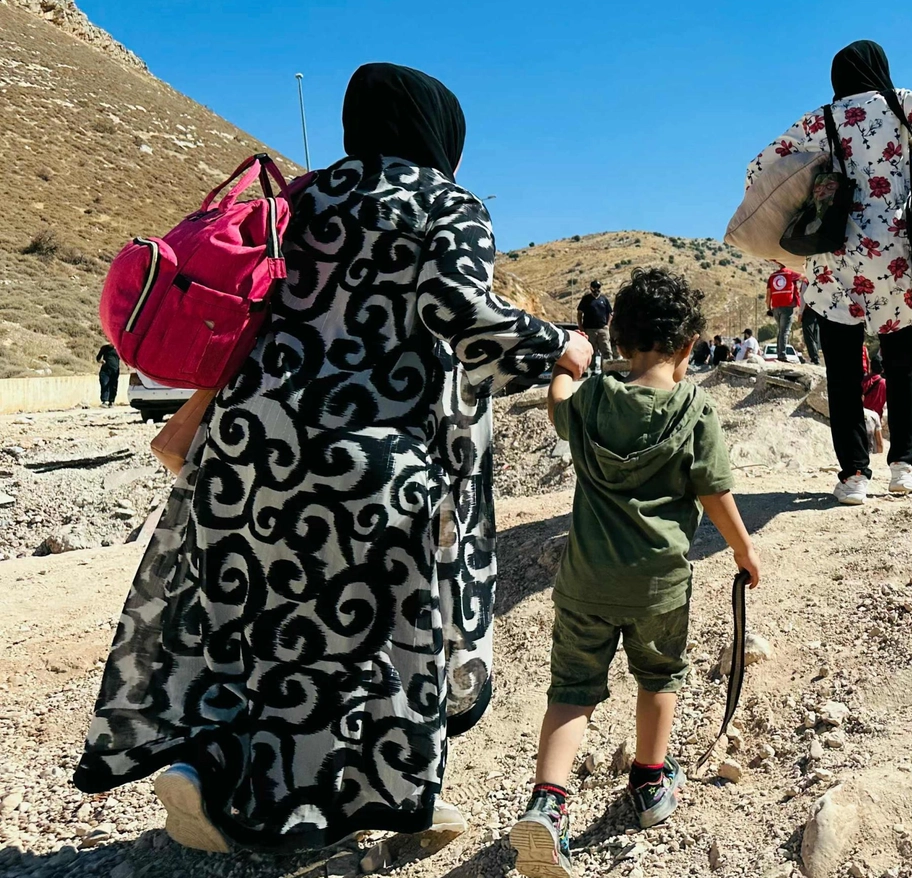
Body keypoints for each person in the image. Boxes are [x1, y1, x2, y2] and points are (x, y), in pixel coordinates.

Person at [73, 63, 593, 854]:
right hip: (366, 463)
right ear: (439, 131)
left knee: (255, 620)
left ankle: (209, 767)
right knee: (368, 641)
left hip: (247, 449)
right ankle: (374, 796)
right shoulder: (446, 204)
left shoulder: (298, 200)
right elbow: (459, 315)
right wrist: (564, 344)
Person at [513, 269, 757, 876]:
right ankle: (649, 783)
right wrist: (744, 551)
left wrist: (568, 367)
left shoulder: (592, 400)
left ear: (617, 342)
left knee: (572, 691)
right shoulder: (693, 408)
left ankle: (547, 806)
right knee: (659, 677)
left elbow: (558, 403)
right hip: (658, 587)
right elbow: (715, 493)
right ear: (688, 346)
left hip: (584, 582)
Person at [748, 39, 912, 505]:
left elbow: (759, 167)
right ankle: (903, 466)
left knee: (842, 370)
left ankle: (853, 477)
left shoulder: (818, 119)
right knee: (900, 364)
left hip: (833, 257)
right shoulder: (896, 102)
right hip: (894, 254)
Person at [766, 264, 804, 362]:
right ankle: (782, 355)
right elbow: (804, 275)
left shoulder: (772, 276)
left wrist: (769, 308)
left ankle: (780, 354)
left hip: (775, 307)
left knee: (781, 331)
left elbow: (768, 295)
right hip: (787, 306)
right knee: (785, 332)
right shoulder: (791, 273)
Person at [578, 280, 613, 374]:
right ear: (591, 288)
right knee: (591, 351)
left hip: (602, 329)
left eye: (598, 287)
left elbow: (610, 313)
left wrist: (607, 325)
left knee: (606, 350)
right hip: (589, 330)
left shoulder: (604, 299)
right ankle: (592, 370)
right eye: (595, 287)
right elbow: (580, 313)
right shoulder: (586, 299)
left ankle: (608, 370)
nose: (597, 289)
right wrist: (581, 327)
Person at [862, 348, 887, 454]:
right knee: (877, 446)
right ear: (883, 369)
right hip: (876, 419)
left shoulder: (863, 381)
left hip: (863, 417)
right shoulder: (885, 383)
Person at [95, 342, 120, 407]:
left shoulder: (118, 348)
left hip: (115, 371)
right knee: (104, 384)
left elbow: (124, 358)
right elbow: (98, 358)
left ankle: (111, 401)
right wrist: (101, 361)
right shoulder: (104, 348)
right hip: (105, 370)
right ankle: (104, 401)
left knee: (113, 386)